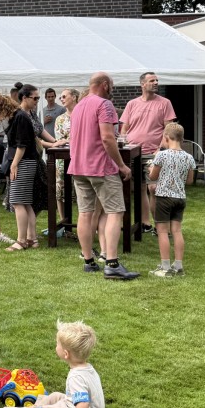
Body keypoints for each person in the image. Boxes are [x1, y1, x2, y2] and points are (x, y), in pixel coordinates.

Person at [0, 320, 105, 408]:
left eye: (58, 344)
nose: (56, 346)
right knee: (55, 396)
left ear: (66, 354)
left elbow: (83, 403)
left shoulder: (76, 377)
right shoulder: (87, 368)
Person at [70, 73, 138, 280]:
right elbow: (108, 138)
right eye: (112, 86)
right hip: (101, 167)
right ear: (105, 85)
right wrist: (122, 165)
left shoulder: (78, 106)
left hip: (78, 167)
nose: (113, 90)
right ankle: (112, 264)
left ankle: (89, 261)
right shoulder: (104, 105)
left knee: (85, 213)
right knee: (115, 212)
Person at [6, 86, 63, 252]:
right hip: (30, 160)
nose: (38, 101)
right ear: (24, 97)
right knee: (26, 202)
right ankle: (31, 239)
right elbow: (32, 139)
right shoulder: (23, 115)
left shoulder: (24, 115)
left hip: (26, 160)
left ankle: (22, 241)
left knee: (19, 201)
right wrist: (53, 143)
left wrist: (14, 163)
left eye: (39, 98)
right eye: (35, 98)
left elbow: (24, 143)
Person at [119, 72, 176, 231]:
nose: (156, 82)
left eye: (157, 80)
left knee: (154, 188)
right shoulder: (132, 104)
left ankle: (161, 225)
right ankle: (146, 223)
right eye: (152, 80)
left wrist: (161, 149)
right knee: (140, 188)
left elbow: (169, 129)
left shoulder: (165, 103)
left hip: (154, 152)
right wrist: (123, 143)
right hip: (133, 152)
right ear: (142, 84)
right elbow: (125, 127)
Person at [147, 123, 196, 278]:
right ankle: (178, 266)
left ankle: (165, 267)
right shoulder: (189, 157)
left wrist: (150, 168)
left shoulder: (161, 155)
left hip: (164, 197)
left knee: (162, 231)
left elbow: (153, 177)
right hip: (180, 198)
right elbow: (189, 181)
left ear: (166, 138)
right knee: (177, 231)